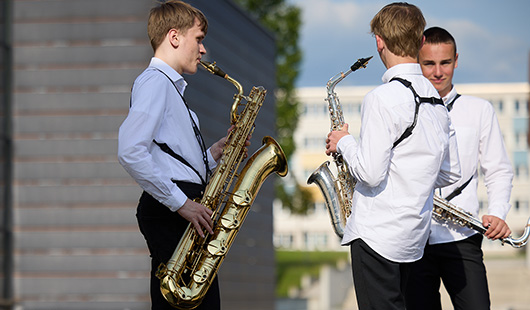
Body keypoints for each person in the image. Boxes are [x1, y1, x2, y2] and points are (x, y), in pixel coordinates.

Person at [325, 3, 461, 310]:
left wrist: (344, 141)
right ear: (420, 41)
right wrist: (413, 173)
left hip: (377, 237)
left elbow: (371, 174)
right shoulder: (438, 104)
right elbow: (450, 174)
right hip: (412, 240)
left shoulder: (381, 98)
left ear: (379, 40)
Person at [118, 1, 240, 309]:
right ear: (174, 37)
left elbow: (172, 161)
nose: (203, 50)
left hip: (181, 209)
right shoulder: (155, 82)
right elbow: (130, 150)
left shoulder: (169, 89)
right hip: (174, 212)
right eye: (198, 39)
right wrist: (182, 204)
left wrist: (213, 154)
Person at [405, 26, 514, 310]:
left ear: (456, 60)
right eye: (429, 63)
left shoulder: (480, 110)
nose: (438, 72)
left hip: (463, 236)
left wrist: (499, 213)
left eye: (445, 62)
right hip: (414, 239)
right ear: (418, 62)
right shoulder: (404, 109)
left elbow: (499, 170)